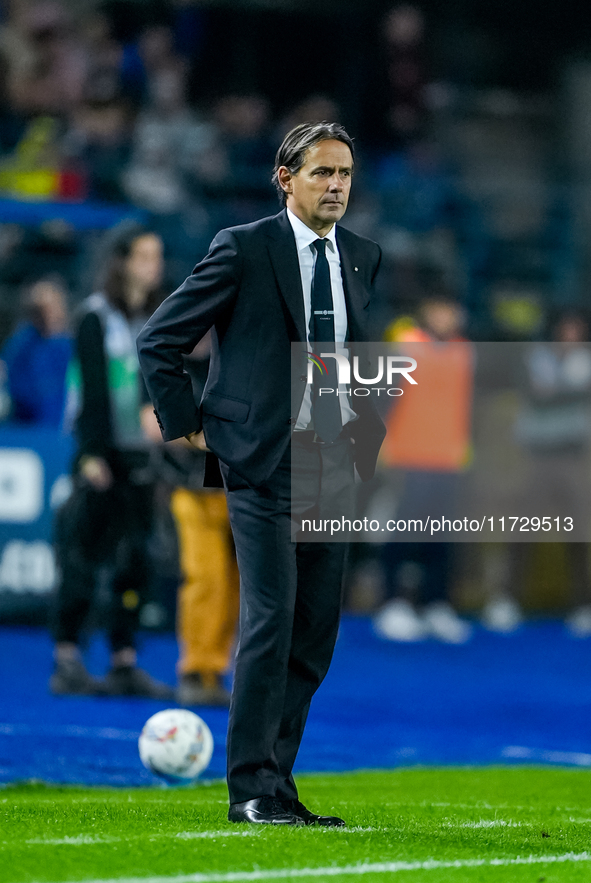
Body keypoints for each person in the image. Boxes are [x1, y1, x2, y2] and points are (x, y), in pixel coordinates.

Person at [138, 122, 385, 826]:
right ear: (285, 178)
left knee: (313, 630)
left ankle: (277, 784)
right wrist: (188, 423)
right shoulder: (243, 247)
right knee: (271, 617)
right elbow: (161, 338)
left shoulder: (363, 258)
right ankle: (248, 787)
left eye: (344, 173)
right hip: (261, 462)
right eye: (321, 173)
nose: (336, 185)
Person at [50, 224, 173, 700]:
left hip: (142, 457)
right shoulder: (94, 318)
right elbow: (92, 393)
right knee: (82, 557)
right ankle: (66, 657)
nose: (153, 265)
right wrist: (91, 455)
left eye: (156, 256)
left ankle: (124, 660)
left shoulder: (157, 317)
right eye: (144, 256)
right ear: (121, 261)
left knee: (137, 561)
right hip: (101, 455)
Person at [1, 278, 71, 427]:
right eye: (39, 310)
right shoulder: (20, 344)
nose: (46, 315)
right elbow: (13, 384)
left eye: (50, 308)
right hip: (25, 428)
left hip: (61, 429)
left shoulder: (70, 345)